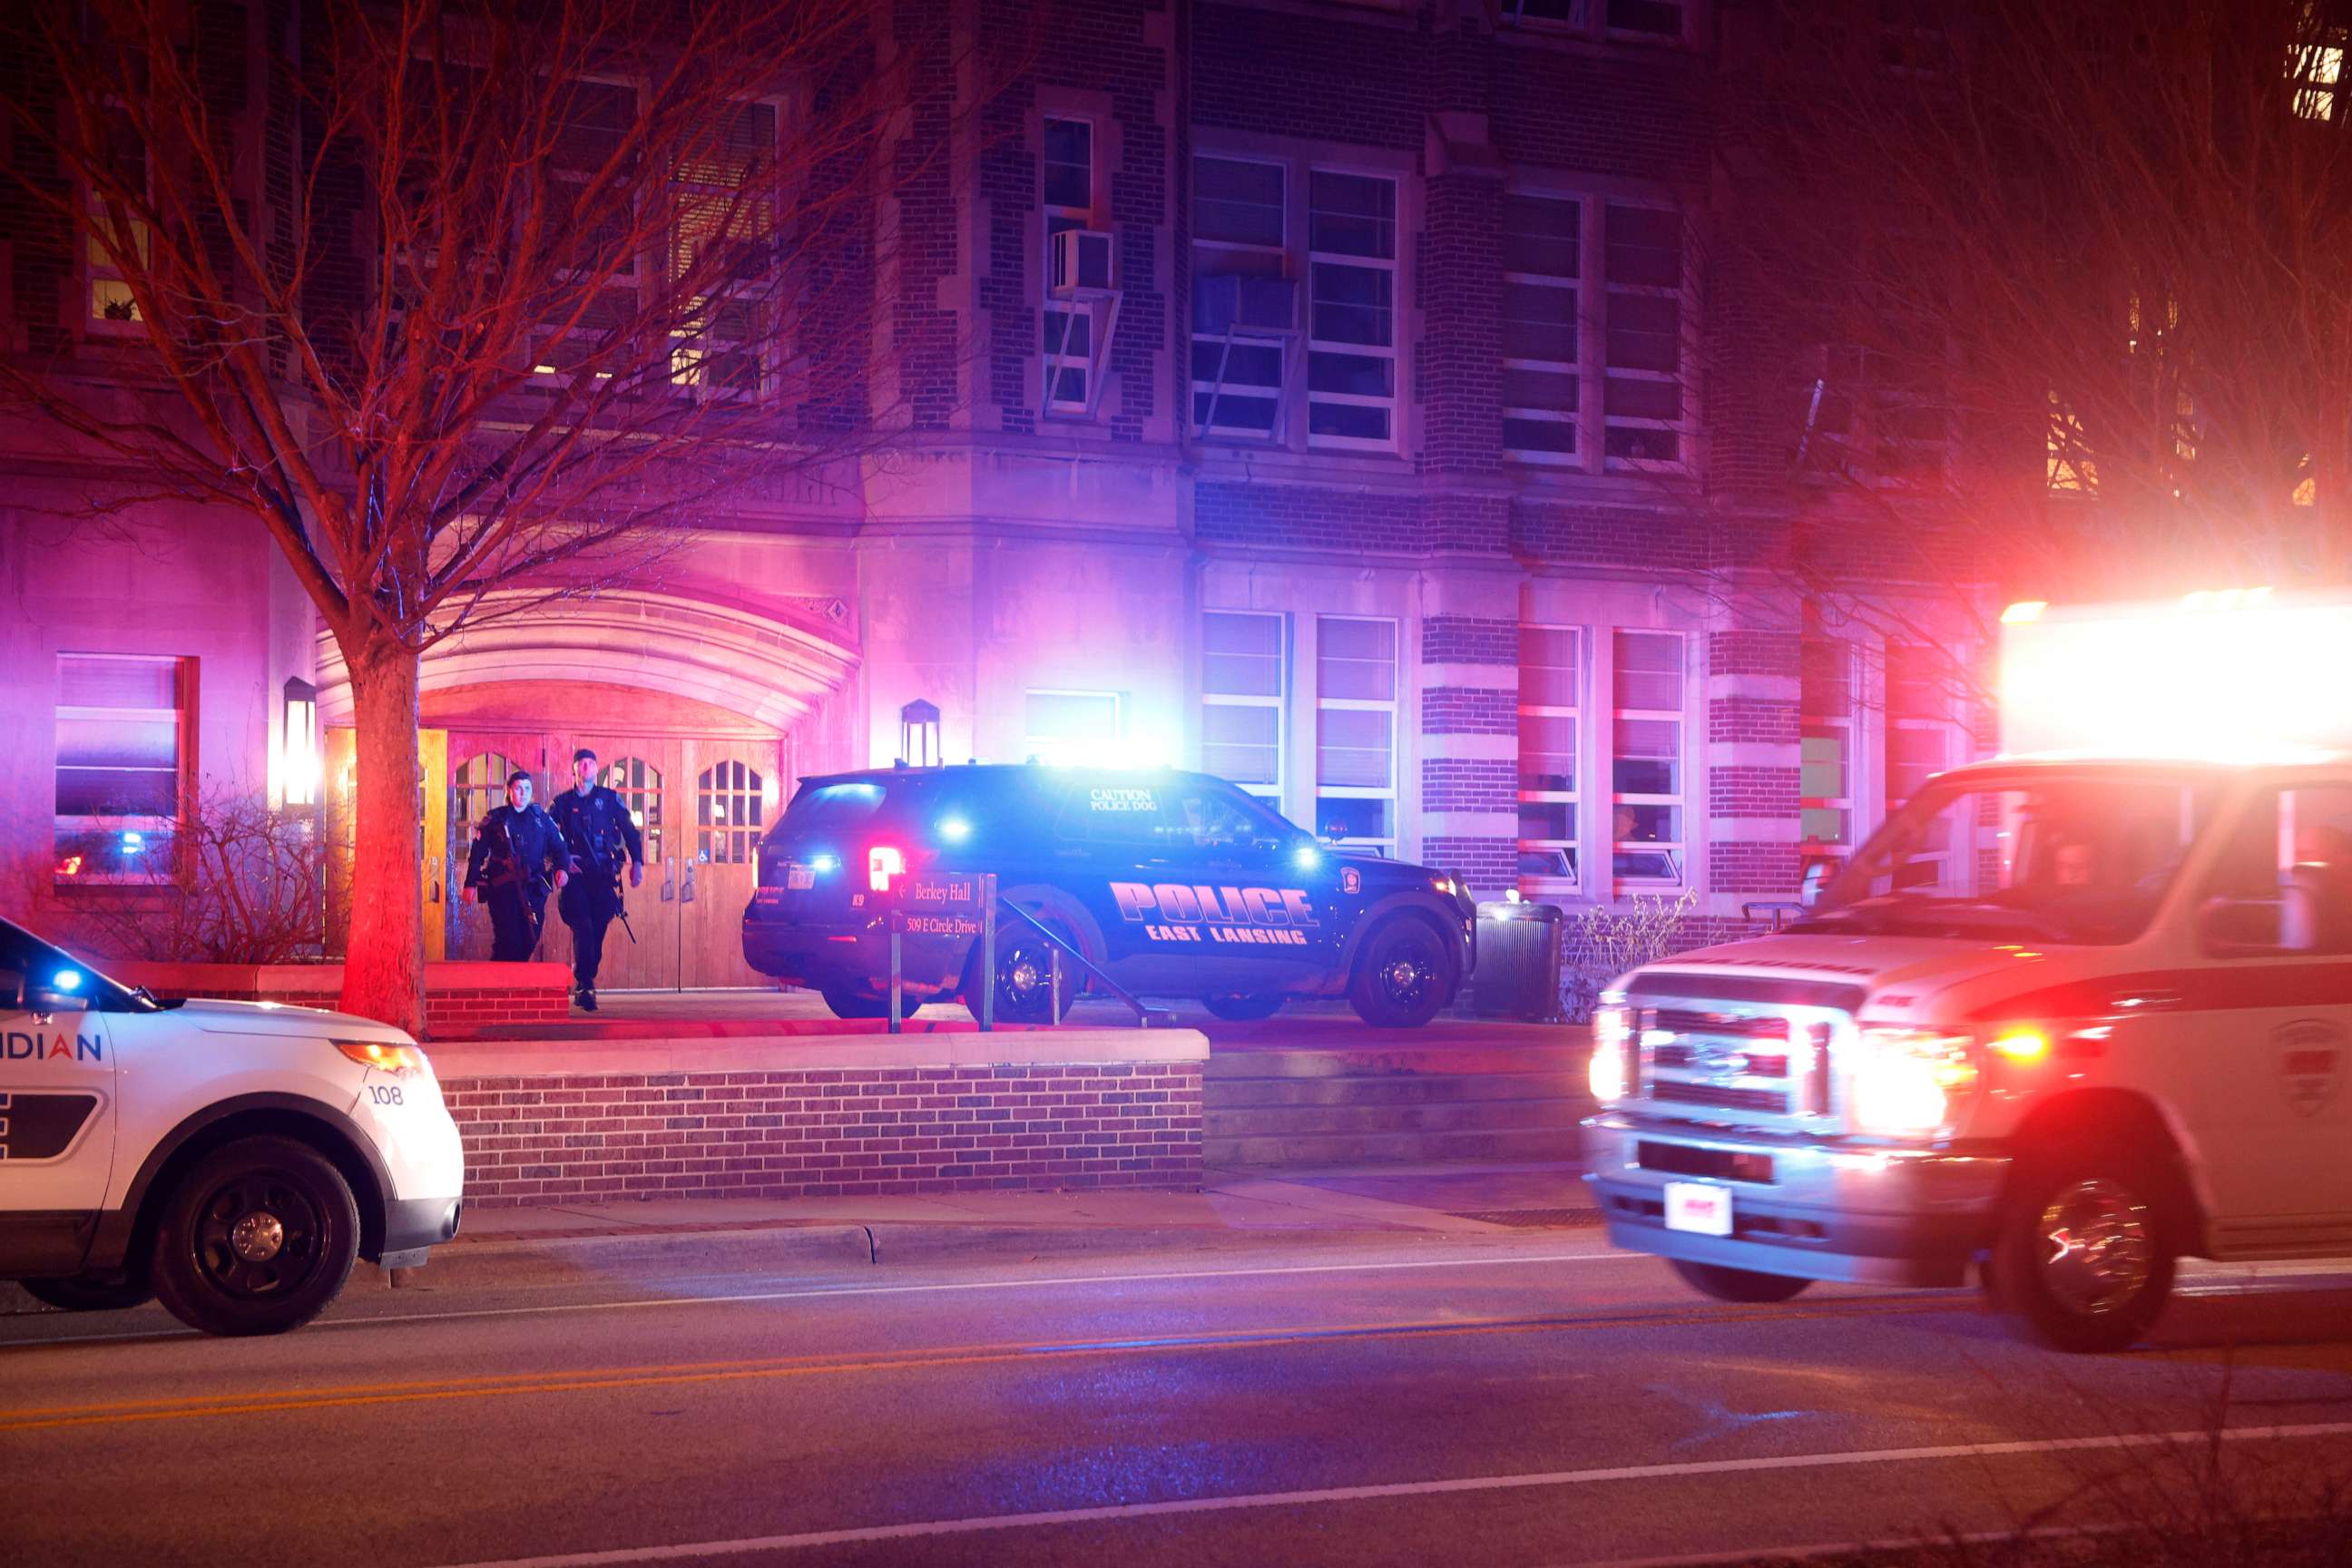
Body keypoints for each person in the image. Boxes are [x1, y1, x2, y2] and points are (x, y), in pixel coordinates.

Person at [550, 747, 646, 1012]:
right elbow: (546, 836)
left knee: (599, 928)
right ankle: (584, 984)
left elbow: (629, 831)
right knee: (583, 925)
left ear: (597, 769)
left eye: (591, 763)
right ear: (574, 769)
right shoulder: (562, 803)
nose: (586, 767)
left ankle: (586, 973)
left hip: (603, 875)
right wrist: (563, 861)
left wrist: (637, 862)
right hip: (577, 876)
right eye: (581, 763)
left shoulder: (610, 799)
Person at [464, 771, 567, 962]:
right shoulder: (495, 819)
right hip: (504, 890)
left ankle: (510, 982)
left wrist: (563, 869)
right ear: (509, 790)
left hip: (533, 889)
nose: (523, 793)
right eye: (518, 788)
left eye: (527, 788)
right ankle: (500, 987)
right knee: (508, 940)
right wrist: (470, 883)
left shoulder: (541, 819)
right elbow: (478, 853)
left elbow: (560, 848)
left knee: (530, 938)